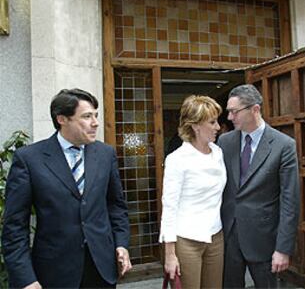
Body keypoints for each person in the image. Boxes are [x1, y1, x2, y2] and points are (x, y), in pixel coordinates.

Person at [1, 89, 132, 288]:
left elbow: (116, 206)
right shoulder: (29, 159)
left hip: (101, 269)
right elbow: (15, 227)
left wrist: (121, 244)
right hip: (54, 273)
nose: (95, 123)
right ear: (62, 119)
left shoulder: (105, 154)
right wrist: (25, 278)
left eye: (95, 115)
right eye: (87, 116)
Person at [217, 84, 300, 288]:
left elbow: (290, 201)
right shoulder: (225, 142)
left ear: (254, 109)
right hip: (229, 237)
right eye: (229, 111)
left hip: (264, 240)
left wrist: (283, 248)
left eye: (234, 112)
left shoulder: (284, 145)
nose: (229, 118)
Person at [159, 95, 226, 289]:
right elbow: (169, 208)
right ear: (195, 125)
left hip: (216, 236)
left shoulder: (218, 153)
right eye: (212, 122)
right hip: (186, 241)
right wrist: (170, 255)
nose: (218, 127)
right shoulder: (177, 159)